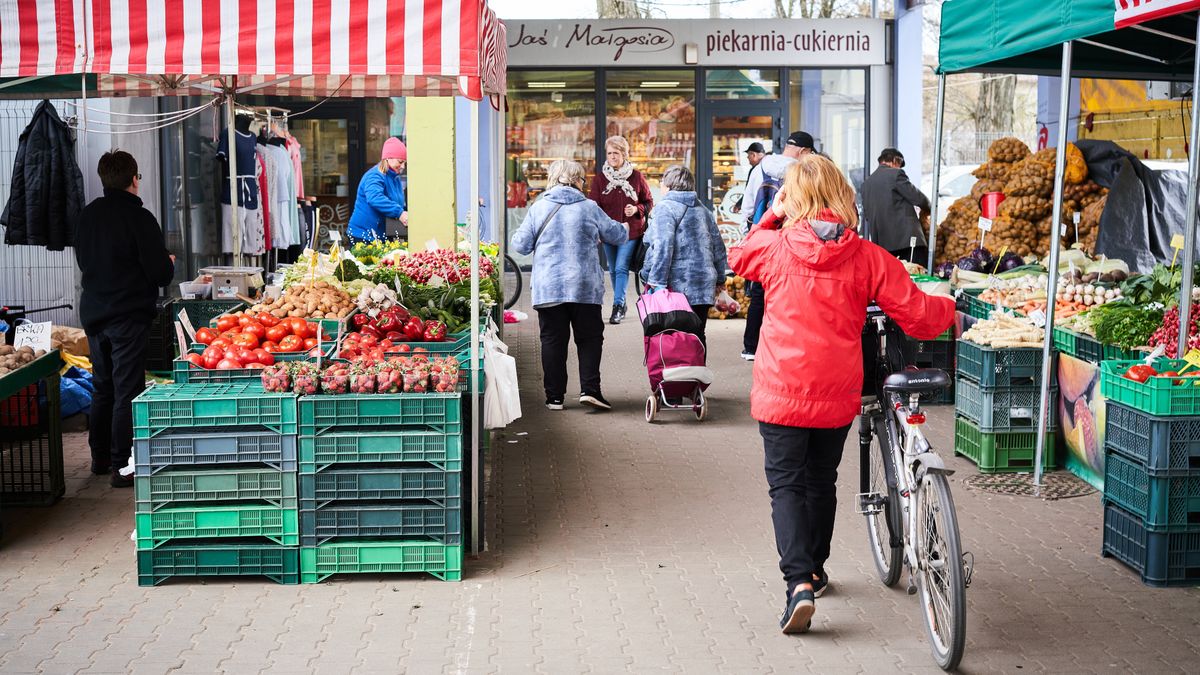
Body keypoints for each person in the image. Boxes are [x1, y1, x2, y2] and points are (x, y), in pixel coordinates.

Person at [728, 154, 954, 635]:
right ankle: (815, 569)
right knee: (821, 480)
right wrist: (952, 309)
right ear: (841, 196)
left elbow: (738, 254)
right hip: (837, 391)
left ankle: (798, 585)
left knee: (786, 486)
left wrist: (772, 212)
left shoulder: (775, 247)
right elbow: (917, 313)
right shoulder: (868, 256)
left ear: (796, 197)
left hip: (781, 390)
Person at [73, 151, 175, 488]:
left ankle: (99, 459)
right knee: (127, 388)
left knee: (103, 386)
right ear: (134, 179)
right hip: (127, 315)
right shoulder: (139, 217)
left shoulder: (86, 217)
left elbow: (87, 262)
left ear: (104, 179)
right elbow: (160, 273)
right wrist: (169, 262)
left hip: (94, 313)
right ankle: (122, 465)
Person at [511, 159, 628, 412]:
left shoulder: (539, 208)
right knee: (589, 339)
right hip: (584, 286)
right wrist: (626, 226)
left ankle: (554, 397)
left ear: (553, 179)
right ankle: (590, 390)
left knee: (553, 340)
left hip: (549, 287)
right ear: (577, 181)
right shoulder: (589, 207)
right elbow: (617, 235)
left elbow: (520, 245)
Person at [740, 131, 814, 362]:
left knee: (758, 293)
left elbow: (749, 204)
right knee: (787, 294)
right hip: (790, 238)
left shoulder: (761, 166)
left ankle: (751, 347)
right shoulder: (802, 172)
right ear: (803, 152)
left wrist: (748, 235)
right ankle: (781, 347)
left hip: (763, 235)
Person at [640, 165, 728, 348]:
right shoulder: (704, 210)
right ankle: (696, 374)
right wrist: (720, 278)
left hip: (676, 286)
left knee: (673, 338)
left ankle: (677, 375)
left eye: (663, 182)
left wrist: (653, 280)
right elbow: (718, 248)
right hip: (703, 285)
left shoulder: (665, 208)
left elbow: (662, 248)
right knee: (697, 335)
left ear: (669, 185)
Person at [588, 135, 654, 325]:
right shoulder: (601, 179)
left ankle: (617, 306)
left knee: (621, 267)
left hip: (630, 231)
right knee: (614, 269)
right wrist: (596, 231)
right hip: (608, 232)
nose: (612, 157)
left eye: (616, 153)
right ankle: (622, 303)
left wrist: (636, 209)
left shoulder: (636, 176)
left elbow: (649, 202)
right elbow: (593, 206)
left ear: (624, 154)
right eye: (609, 153)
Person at [859, 148, 932, 264]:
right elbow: (917, 198)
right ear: (894, 160)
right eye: (900, 164)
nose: (900, 168)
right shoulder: (896, 174)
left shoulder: (865, 185)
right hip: (906, 242)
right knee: (918, 277)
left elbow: (867, 215)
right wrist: (930, 208)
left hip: (882, 247)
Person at [347, 137, 408, 245]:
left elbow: (397, 203)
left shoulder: (395, 178)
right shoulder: (375, 175)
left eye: (405, 163)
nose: (403, 166)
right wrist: (399, 213)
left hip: (380, 235)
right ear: (388, 158)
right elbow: (375, 198)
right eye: (400, 161)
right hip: (363, 235)